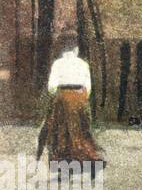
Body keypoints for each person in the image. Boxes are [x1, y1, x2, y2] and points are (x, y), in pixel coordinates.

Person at [37, 34, 105, 175]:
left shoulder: (58, 64)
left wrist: (57, 97)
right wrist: (82, 98)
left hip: (64, 96)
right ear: (76, 49)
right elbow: (88, 86)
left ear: (63, 51)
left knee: (63, 132)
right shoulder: (83, 64)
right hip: (80, 97)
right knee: (82, 129)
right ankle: (90, 161)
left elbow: (52, 86)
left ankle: (64, 165)